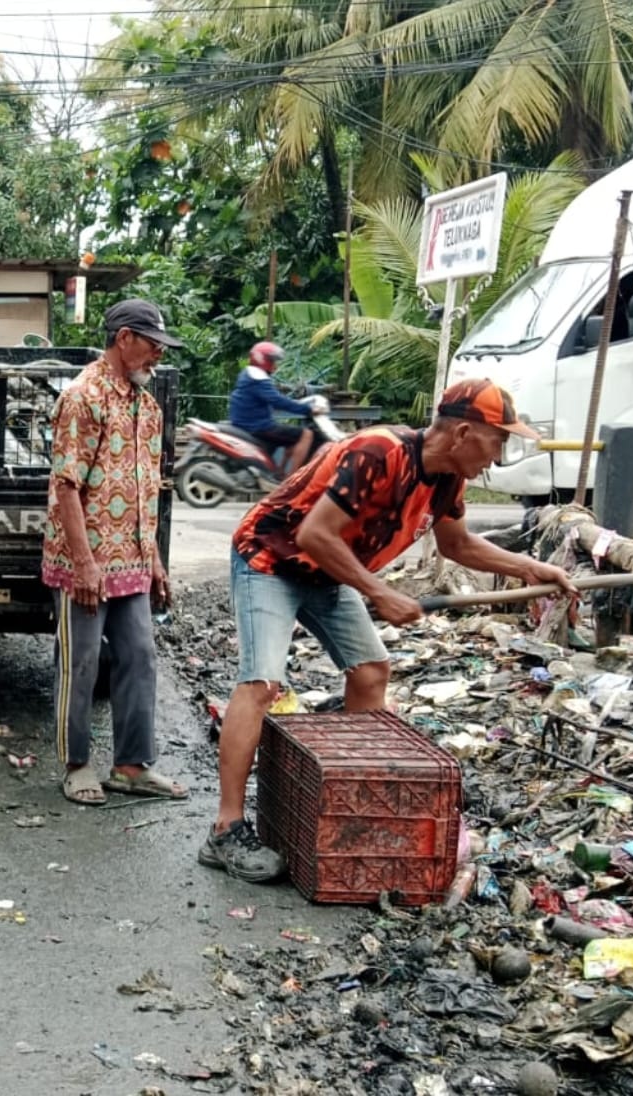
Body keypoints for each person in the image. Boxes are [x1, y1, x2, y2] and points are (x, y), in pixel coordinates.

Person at [200, 379, 578, 882]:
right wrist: (379, 592)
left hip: (328, 571)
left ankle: (353, 802)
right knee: (262, 682)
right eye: (498, 439)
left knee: (371, 672)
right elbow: (314, 533)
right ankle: (226, 830)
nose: (499, 454)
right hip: (272, 558)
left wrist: (531, 568)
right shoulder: (378, 453)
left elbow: (459, 546)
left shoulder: (448, 481)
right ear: (464, 432)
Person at [42, 298, 189, 805]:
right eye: (151, 345)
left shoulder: (146, 406)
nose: (156, 356)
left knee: (140, 658)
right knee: (79, 665)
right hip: (85, 562)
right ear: (124, 338)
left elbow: (147, 488)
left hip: (132, 560)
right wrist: (84, 563)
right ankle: (76, 764)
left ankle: (130, 765)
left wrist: (155, 561)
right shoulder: (83, 398)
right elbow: (65, 487)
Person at [229, 340, 317, 474]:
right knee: (306, 434)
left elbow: (271, 399)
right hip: (257, 426)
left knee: (290, 437)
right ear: (263, 360)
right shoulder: (258, 378)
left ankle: (280, 472)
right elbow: (278, 401)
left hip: (246, 423)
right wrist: (307, 409)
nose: (274, 366)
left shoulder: (247, 374)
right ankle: (292, 480)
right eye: (272, 361)